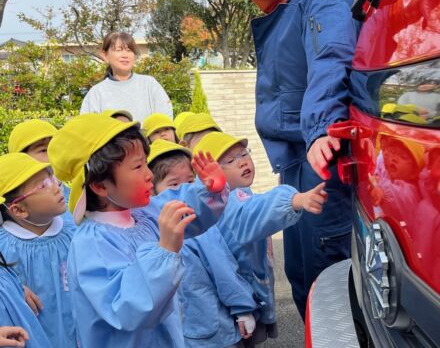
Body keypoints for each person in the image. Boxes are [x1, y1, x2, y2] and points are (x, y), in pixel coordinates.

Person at [210, 0, 358, 319]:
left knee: (326, 281)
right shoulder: (280, 8)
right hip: (294, 162)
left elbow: (332, 61)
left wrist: (320, 129)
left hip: (320, 156)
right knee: (299, 273)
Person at [47, 113, 228, 347]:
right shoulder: (91, 244)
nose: (149, 174)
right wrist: (164, 251)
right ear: (100, 185)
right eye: (138, 166)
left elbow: (181, 204)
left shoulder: (142, 213)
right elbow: (125, 307)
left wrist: (210, 191)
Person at [194, 132, 327, 345]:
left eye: (243, 154)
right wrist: (295, 200)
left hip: (242, 296)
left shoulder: (236, 194)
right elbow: (253, 212)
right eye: (231, 160)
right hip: (240, 300)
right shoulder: (230, 202)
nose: (243, 162)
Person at [148, 139, 258, 347]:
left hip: (213, 333)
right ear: (153, 193)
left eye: (190, 182)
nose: (184, 191)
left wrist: (242, 308)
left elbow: (223, 267)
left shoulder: (199, 229)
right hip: (182, 332)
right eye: (173, 185)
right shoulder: (150, 229)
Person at [0, 153, 75, 347]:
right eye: (43, 185)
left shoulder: (74, 231)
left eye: (52, 177)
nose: (56, 187)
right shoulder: (4, 250)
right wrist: (14, 287)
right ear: (18, 210)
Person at [80, 31, 173, 122]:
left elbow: (165, 120)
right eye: (119, 50)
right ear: (105, 55)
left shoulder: (149, 84)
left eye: (129, 50)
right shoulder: (96, 93)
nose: (125, 55)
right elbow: (88, 128)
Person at [8, 119, 71, 203]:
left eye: (55, 148)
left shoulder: (72, 195)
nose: (54, 154)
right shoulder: (15, 202)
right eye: (44, 150)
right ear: (20, 158)